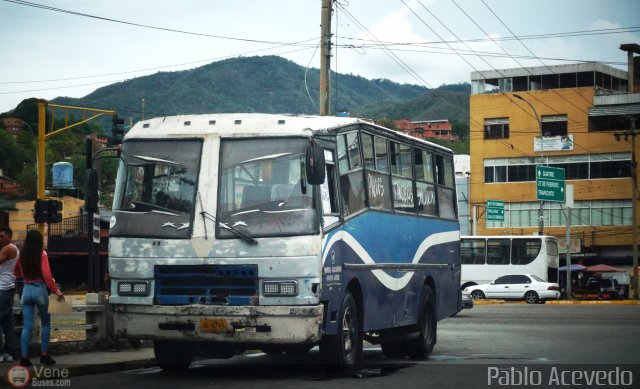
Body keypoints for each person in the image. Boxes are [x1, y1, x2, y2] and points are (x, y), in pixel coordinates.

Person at [13, 230, 64, 366]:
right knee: (46, 323)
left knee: (27, 326)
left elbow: (16, 273)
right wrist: (56, 291)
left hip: (26, 291)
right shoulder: (42, 253)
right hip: (39, 290)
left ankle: (24, 358)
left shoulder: (21, 255)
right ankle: (44, 355)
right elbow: (47, 275)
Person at [0, 227, 18, 363]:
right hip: (7, 289)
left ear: (9, 237)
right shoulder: (8, 248)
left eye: (2, 236)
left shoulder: (8, 248)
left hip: (3, 289)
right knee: (7, 322)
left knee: (4, 322)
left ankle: (2, 352)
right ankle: (9, 353)